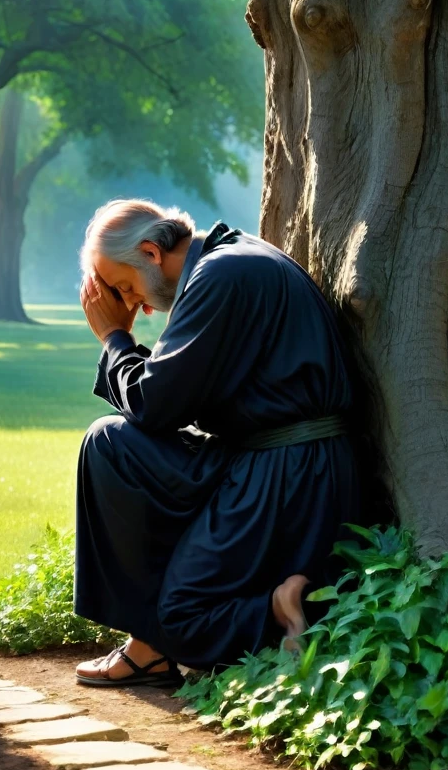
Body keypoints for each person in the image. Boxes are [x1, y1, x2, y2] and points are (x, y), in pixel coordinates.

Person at [74, 198, 359, 686]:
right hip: (261, 459)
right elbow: (169, 403)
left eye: (126, 286)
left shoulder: (220, 276)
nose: (137, 306)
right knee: (111, 445)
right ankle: (148, 646)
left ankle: (279, 609)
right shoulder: (228, 260)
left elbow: (154, 404)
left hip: (289, 474)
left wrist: (114, 338)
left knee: (183, 617)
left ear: (150, 252)